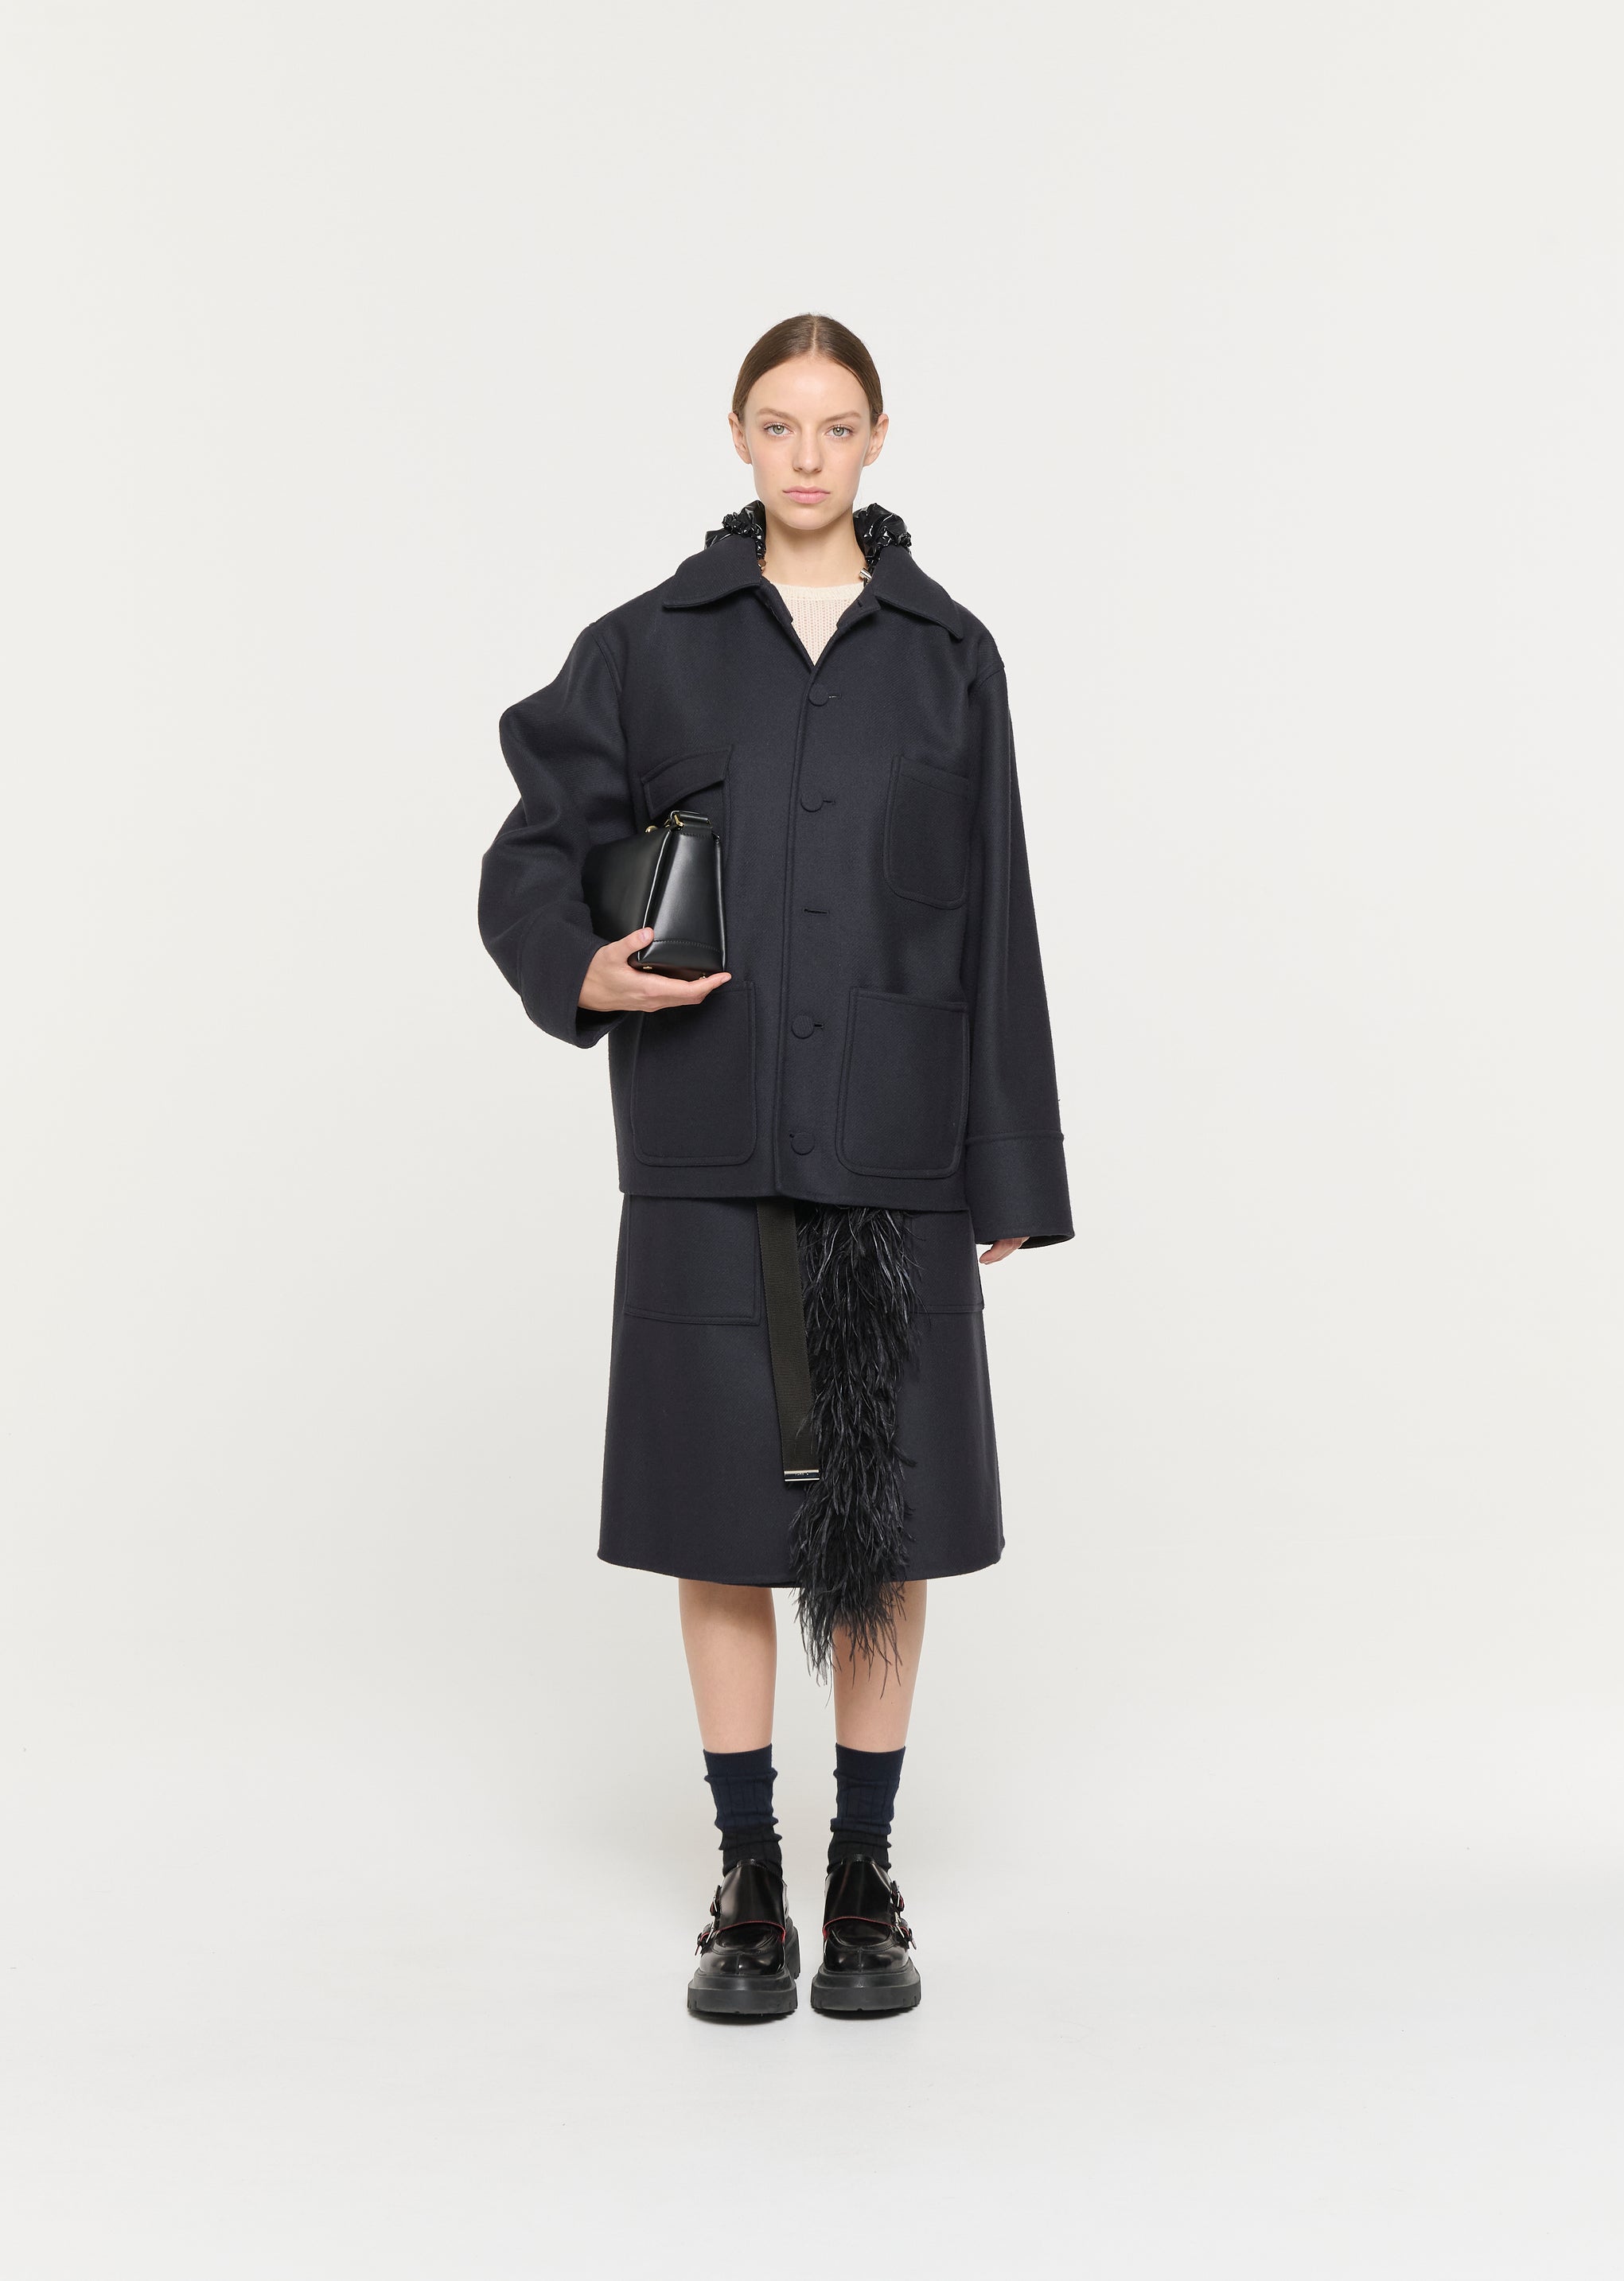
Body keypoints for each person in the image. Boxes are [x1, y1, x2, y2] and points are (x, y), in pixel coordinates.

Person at [479, 313, 1072, 2022]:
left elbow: (997, 913)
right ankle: (745, 1875)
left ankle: (862, 1872)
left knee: (886, 1520)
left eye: (836, 425)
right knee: (721, 1517)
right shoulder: (645, 648)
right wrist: (581, 969)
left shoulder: (950, 656)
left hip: (897, 1140)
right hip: (706, 1129)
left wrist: (1008, 1168)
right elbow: (534, 851)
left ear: (878, 440)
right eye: (776, 423)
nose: (807, 455)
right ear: (737, 438)